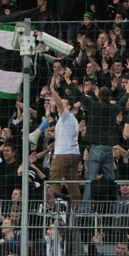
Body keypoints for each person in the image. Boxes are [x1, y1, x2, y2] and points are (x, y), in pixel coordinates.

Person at [48, 74, 81, 209]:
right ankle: (76, 208)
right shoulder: (70, 120)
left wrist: (52, 88)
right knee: (71, 181)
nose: (60, 105)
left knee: (54, 178)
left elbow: (60, 104)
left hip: (63, 154)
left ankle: (54, 207)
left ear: (70, 108)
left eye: (64, 104)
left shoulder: (67, 116)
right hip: (73, 153)